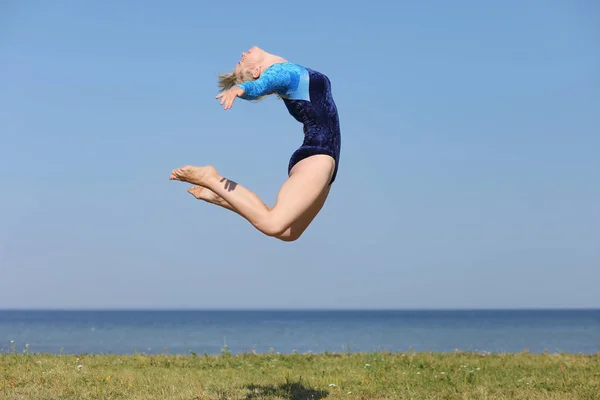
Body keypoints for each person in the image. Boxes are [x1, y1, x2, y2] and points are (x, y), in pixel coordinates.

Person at [169, 46, 341, 242]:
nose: (242, 54)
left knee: (289, 233)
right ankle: (211, 178)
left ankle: (221, 196)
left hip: (327, 157)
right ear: (257, 71)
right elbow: (260, 85)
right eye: (242, 62)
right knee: (273, 223)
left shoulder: (289, 82)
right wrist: (240, 89)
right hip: (318, 154)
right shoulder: (280, 72)